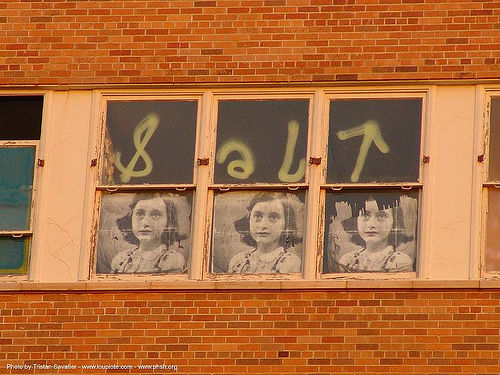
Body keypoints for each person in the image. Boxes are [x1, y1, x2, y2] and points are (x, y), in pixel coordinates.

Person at [110, 194, 186, 273]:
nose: (145, 223)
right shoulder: (120, 260)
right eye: (140, 214)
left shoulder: (173, 260)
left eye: (155, 215)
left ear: (168, 221)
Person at [228, 192, 302, 274]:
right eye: (258, 216)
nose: (263, 225)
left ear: (286, 224)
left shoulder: (290, 263)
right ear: (249, 219)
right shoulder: (237, 261)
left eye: (273, 217)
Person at [334, 197, 414, 273]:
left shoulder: (400, 262)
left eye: (381, 216)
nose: (371, 224)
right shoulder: (347, 260)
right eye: (365, 215)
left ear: (394, 222)